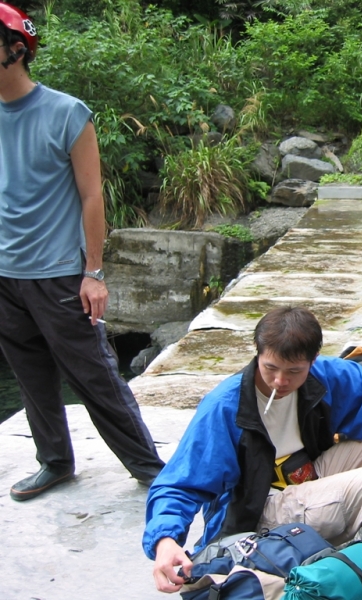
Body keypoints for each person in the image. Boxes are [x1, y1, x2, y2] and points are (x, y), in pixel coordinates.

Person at [143, 306, 362, 600]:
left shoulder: (325, 376)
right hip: (260, 511)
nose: (278, 382)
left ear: (312, 361)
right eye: (270, 367)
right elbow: (178, 484)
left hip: (310, 480)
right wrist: (165, 541)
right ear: (258, 352)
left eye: (293, 372)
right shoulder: (227, 406)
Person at [0, 2, 164, 501]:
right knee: (31, 377)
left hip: (57, 274)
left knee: (95, 377)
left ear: (15, 48)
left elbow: (93, 196)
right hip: (5, 276)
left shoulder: (66, 112)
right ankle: (54, 462)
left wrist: (93, 272)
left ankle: (152, 471)